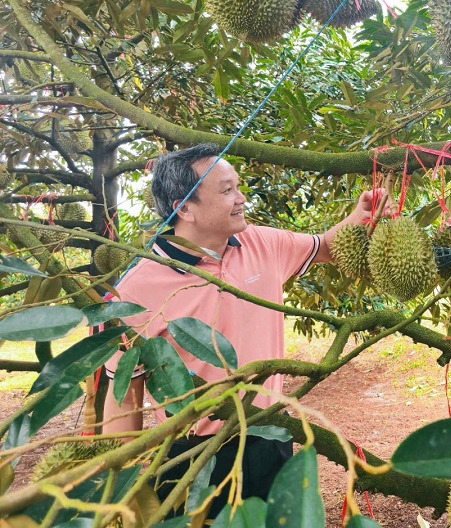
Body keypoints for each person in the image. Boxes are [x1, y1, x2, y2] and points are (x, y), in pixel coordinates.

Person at [102, 143, 386, 516]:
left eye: (238, 186)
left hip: (270, 436)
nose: (241, 198)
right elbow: (125, 394)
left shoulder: (261, 242)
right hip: (192, 453)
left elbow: (326, 247)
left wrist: (360, 214)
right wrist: (118, 485)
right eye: (226, 190)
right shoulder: (135, 290)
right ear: (183, 207)